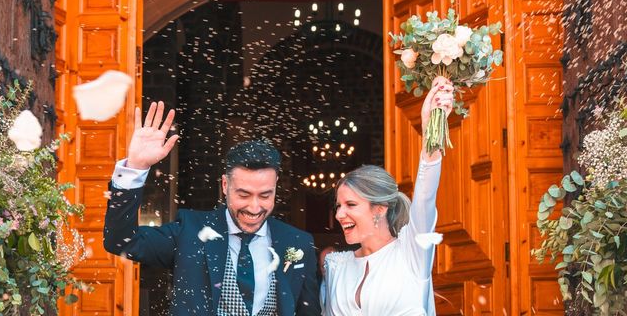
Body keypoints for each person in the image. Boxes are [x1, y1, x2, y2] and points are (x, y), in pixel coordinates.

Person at [103, 101, 320, 316]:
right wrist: (135, 168)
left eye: (265, 195)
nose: (255, 207)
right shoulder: (189, 230)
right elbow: (121, 241)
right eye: (244, 195)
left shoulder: (298, 243)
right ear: (225, 185)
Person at [323, 77, 454, 316]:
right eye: (338, 205)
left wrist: (431, 127)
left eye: (351, 204)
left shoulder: (412, 251)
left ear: (380, 208)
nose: (340, 214)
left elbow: (425, 194)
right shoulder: (336, 266)